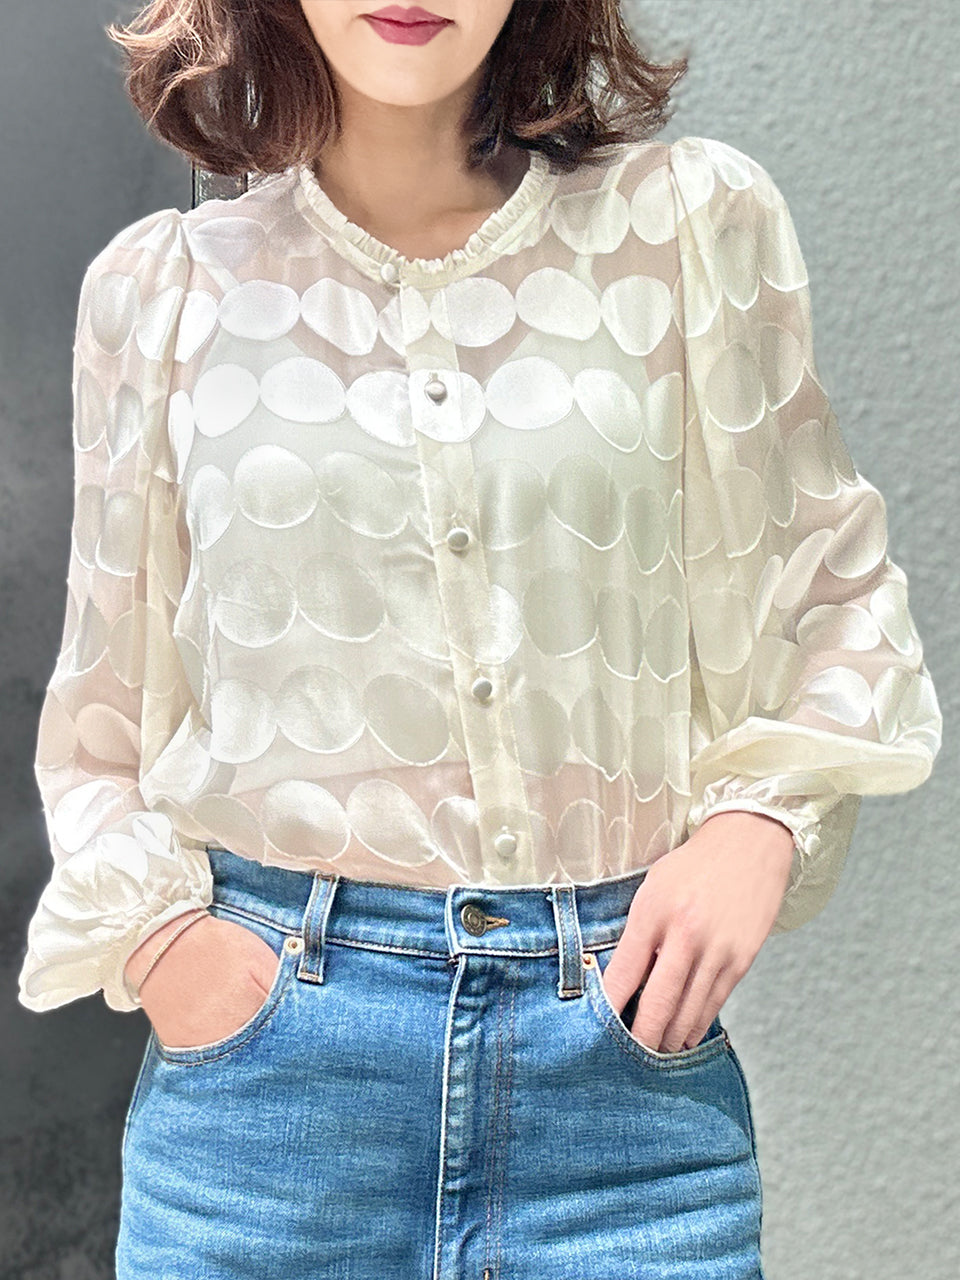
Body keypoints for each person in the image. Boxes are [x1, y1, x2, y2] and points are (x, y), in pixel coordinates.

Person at [17, 2, 942, 1277]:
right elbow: (102, 721)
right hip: (265, 1114)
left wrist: (757, 823)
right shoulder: (162, 293)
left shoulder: (687, 228)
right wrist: (178, 953)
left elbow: (831, 593)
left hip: (620, 1103)